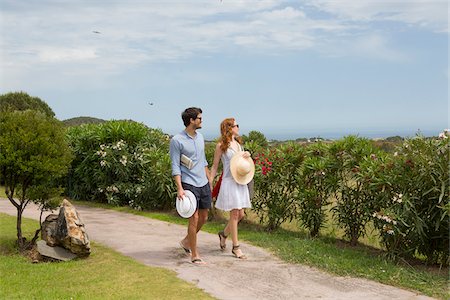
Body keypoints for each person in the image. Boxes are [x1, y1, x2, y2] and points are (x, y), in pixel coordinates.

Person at [170, 107, 212, 265]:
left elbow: (203, 161)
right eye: (199, 118)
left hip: (203, 182)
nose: (202, 121)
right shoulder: (177, 140)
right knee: (193, 218)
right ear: (191, 120)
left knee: (204, 217)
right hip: (188, 183)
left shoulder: (200, 137)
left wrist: (209, 179)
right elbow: (175, 166)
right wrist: (180, 188)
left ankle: (187, 241)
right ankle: (195, 254)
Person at [210, 118, 252, 259]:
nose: (238, 127)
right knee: (234, 215)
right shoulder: (221, 145)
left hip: (239, 182)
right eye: (236, 125)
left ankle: (223, 234)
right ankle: (236, 247)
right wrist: (210, 180)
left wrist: (247, 155)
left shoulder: (238, 144)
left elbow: (240, 163)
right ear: (229, 128)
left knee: (241, 215)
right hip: (229, 182)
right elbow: (215, 165)